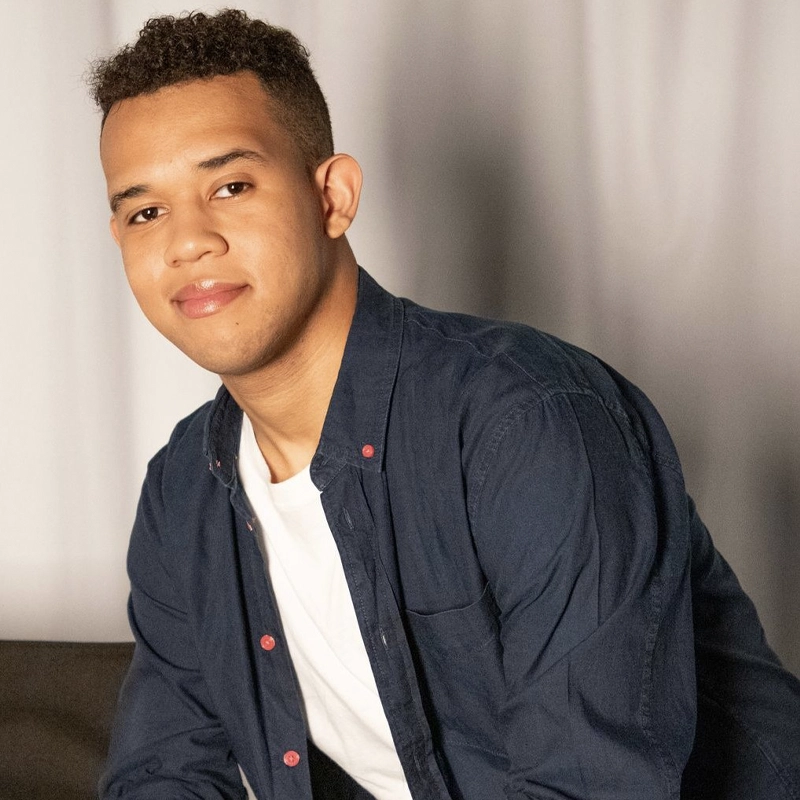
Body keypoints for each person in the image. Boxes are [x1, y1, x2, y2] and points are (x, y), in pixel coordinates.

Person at [91, 9, 800, 800]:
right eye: (145, 210)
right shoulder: (186, 491)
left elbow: (593, 785)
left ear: (333, 197)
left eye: (230, 185)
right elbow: (166, 775)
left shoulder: (524, 423)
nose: (187, 240)